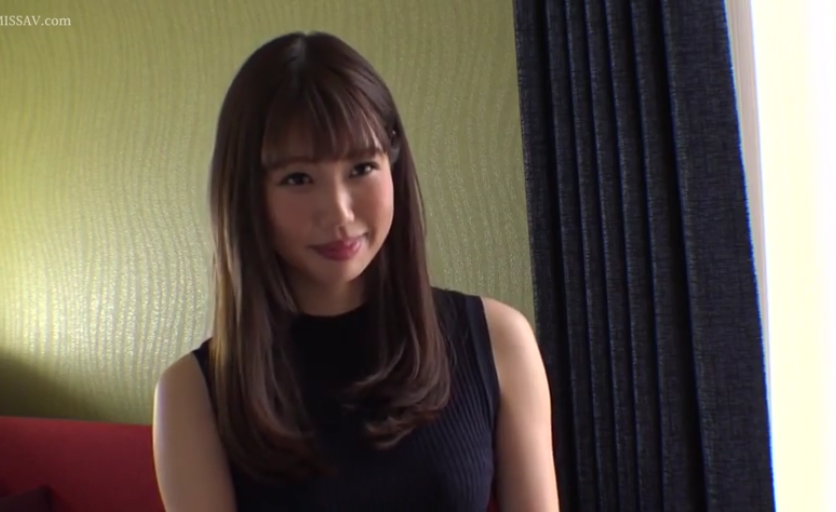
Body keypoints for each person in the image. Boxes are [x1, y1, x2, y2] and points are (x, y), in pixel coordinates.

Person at [151, 31, 558, 512]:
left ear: (393, 164)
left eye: (362, 167)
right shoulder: (192, 393)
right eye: (298, 178)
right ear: (247, 195)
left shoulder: (498, 339)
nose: (339, 212)